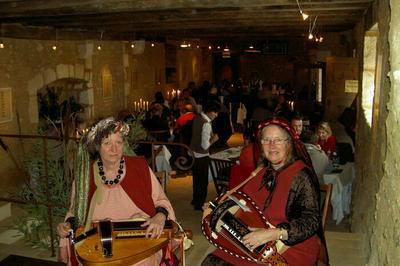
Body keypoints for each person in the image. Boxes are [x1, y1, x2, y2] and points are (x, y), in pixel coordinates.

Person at [202, 118, 323, 265]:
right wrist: (217, 206)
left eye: (278, 140)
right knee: (212, 261)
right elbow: (244, 202)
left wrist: (272, 234)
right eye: (266, 140)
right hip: (255, 239)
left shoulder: (301, 175)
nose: (271, 146)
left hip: (289, 246)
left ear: (289, 143)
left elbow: (311, 221)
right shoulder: (262, 172)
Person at [57, 117, 176, 266]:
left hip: (140, 237)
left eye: (118, 142)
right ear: (97, 147)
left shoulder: (139, 167)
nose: (114, 149)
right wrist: (67, 225)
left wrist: (160, 216)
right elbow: (76, 212)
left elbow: (161, 201)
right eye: (107, 143)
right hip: (97, 240)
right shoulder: (85, 176)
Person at [190, 101, 220, 211]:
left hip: (193, 153)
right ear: (209, 112)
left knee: (196, 179)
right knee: (202, 182)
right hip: (202, 155)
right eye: (215, 112)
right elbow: (205, 145)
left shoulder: (197, 118)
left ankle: (195, 200)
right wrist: (214, 139)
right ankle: (199, 204)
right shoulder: (206, 123)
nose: (216, 115)